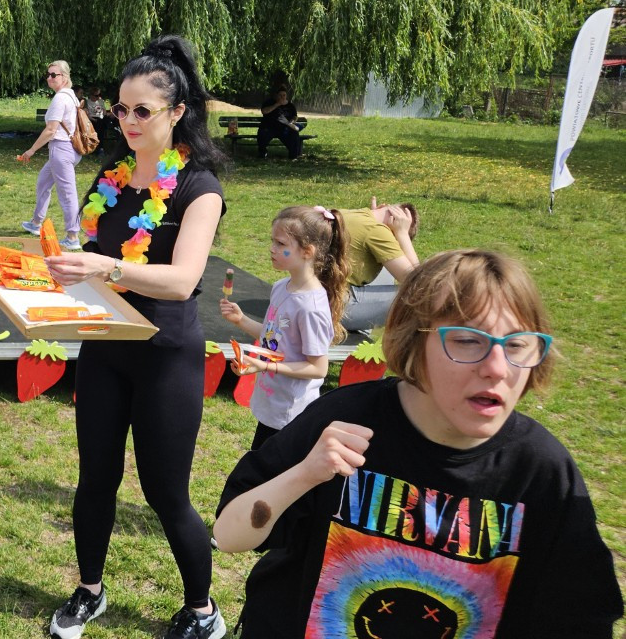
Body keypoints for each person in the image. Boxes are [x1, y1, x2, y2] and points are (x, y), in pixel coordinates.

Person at [214, 249, 623, 637]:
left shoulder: (540, 471)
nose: (498, 369)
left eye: (516, 344)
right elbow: (230, 535)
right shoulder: (345, 419)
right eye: (467, 340)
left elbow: (581, 619)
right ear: (412, 342)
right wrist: (306, 473)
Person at [43, 36, 230, 639]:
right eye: (120, 109)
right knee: (95, 480)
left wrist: (106, 268)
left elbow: (182, 281)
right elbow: (90, 250)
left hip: (166, 356)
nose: (127, 121)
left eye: (142, 110)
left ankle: (202, 611)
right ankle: (90, 591)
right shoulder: (113, 177)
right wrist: (58, 271)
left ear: (177, 113)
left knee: (165, 493)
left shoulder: (199, 187)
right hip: (106, 346)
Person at [220, 206, 350, 450]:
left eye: (280, 244)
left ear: (308, 251)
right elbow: (275, 338)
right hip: (272, 403)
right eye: (273, 241)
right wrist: (241, 320)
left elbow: (318, 368)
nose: (272, 248)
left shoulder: (311, 308)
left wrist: (264, 366)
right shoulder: (281, 287)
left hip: (291, 416)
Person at [19, 60, 83, 250]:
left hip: (61, 150)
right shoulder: (71, 96)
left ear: (65, 77)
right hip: (70, 149)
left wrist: (31, 150)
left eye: (54, 74)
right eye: (48, 74)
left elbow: (50, 130)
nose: (49, 78)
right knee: (43, 182)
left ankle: (72, 236)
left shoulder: (61, 98)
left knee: (67, 194)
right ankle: (36, 223)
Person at [340, 198, 420, 331]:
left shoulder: (349, 214)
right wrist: (402, 234)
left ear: (384, 207)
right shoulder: (376, 231)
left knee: (388, 262)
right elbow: (420, 283)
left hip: (316, 296)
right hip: (336, 308)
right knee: (416, 297)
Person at [258, 87, 302, 159]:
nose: (282, 97)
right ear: (276, 95)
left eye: (284, 95)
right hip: (269, 127)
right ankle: (262, 153)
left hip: (284, 128)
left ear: (286, 96)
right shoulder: (269, 102)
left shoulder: (290, 105)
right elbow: (264, 111)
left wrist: (292, 122)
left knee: (294, 134)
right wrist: (277, 104)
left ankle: (293, 156)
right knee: (263, 133)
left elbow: (295, 116)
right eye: (280, 95)